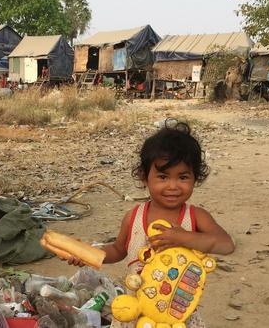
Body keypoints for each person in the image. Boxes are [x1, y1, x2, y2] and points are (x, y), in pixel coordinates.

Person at [67, 120, 235, 327]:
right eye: (163, 177)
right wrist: (86, 254)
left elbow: (226, 245)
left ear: (195, 178)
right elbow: (118, 250)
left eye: (183, 177)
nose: (173, 186)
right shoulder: (134, 216)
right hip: (134, 313)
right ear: (144, 177)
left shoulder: (196, 217)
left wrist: (184, 238)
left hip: (177, 316)